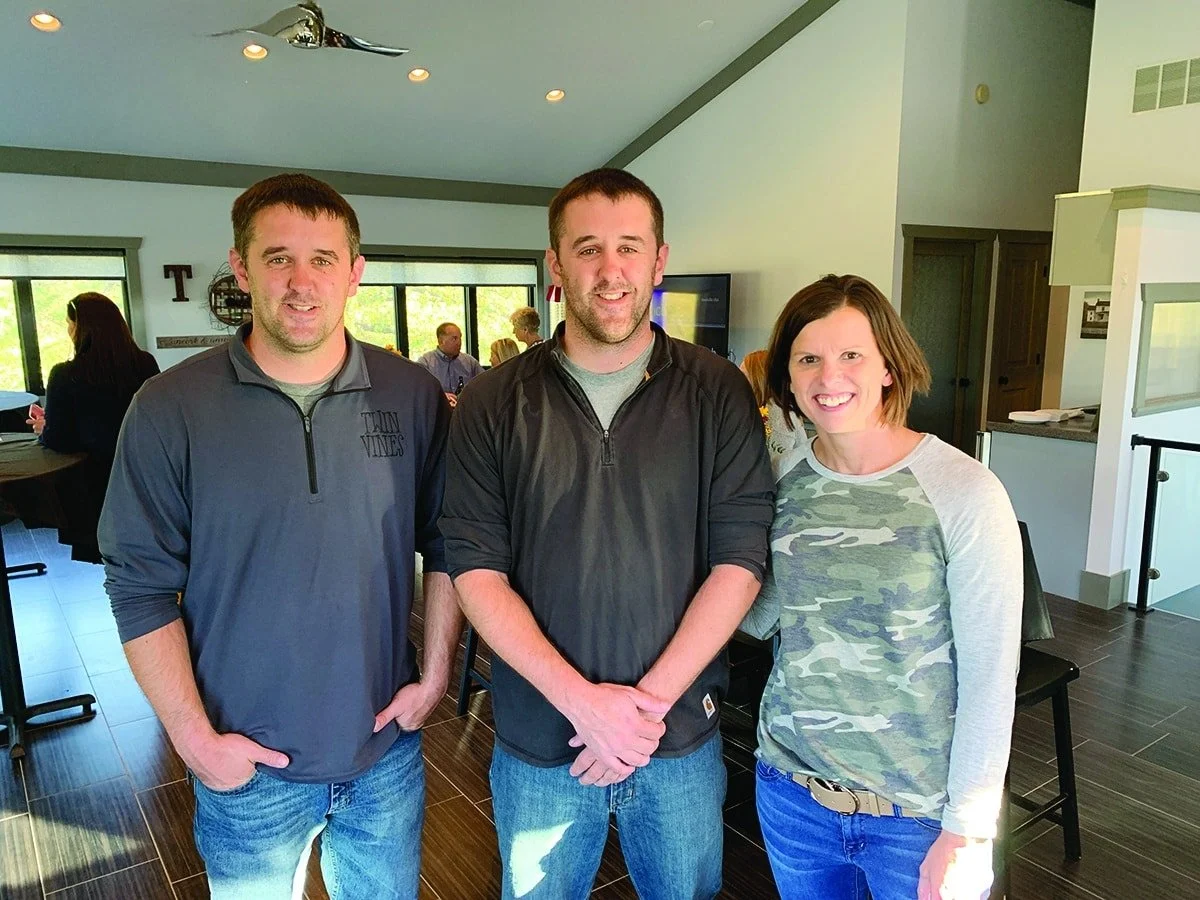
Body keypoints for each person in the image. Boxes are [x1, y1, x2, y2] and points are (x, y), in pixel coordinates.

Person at [98, 173, 460, 900]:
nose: (302, 282)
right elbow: (138, 588)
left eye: (323, 259)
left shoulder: (411, 395)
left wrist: (435, 676)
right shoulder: (170, 406)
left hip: (386, 750)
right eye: (278, 258)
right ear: (241, 268)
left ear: (355, 272)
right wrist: (195, 742)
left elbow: (448, 542)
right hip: (246, 764)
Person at [441, 167, 775, 900]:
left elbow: (740, 560)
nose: (611, 269)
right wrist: (585, 705)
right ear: (556, 266)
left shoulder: (717, 390)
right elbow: (474, 569)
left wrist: (641, 712)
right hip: (542, 737)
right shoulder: (493, 400)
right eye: (588, 248)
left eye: (630, 247)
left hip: (677, 734)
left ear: (659, 261)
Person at [741, 274, 1022, 900]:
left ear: (889, 368)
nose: (829, 377)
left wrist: (969, 831)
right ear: (788, 378)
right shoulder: (783, 482)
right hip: (792, 793)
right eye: (808, 359)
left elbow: (991, 675)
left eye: (851, 355)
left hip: (917, 815)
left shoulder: (965, 492)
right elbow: (759, 618)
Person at [26, 292, 159, 561]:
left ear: (80, 327)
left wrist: (43, 428)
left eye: (69, 323)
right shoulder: (145, 363)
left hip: (95, 483)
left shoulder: (66, 374)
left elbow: (61, 439)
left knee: (111, 557)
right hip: (147, 475)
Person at [739, 348, 800, 465]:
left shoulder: (776, 413)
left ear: (758, 378)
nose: (737, 379)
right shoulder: (762, 406)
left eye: (743, 374)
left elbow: (775, 465)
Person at [416, 322, 483, 405]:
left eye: (460, 338)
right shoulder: (426, 362)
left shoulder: (470, 362)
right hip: (438, 409)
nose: (459, 343)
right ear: (441, 341)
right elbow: (419, 390)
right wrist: (441, 396)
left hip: (466, 409)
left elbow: (484, 385)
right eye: (454, 338)